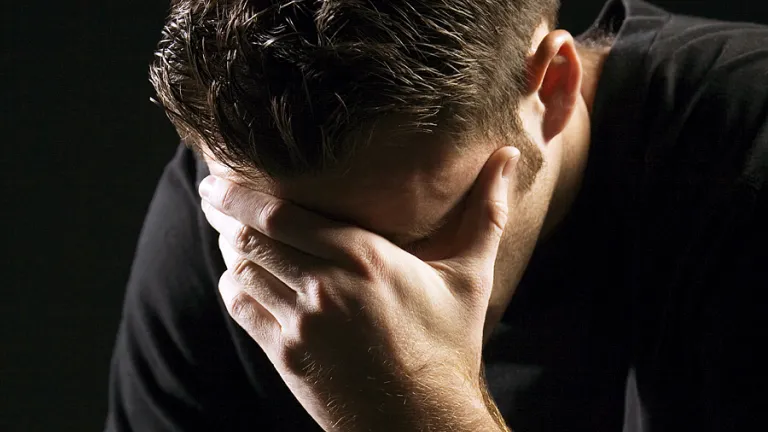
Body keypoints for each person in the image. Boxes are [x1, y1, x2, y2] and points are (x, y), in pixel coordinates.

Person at [105, 0, 768, 430]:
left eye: (408, 241)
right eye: (296, 249)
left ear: (552, 89)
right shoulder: (239, 214)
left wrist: (423, 409)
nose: (355, 292)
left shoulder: (747, 167)